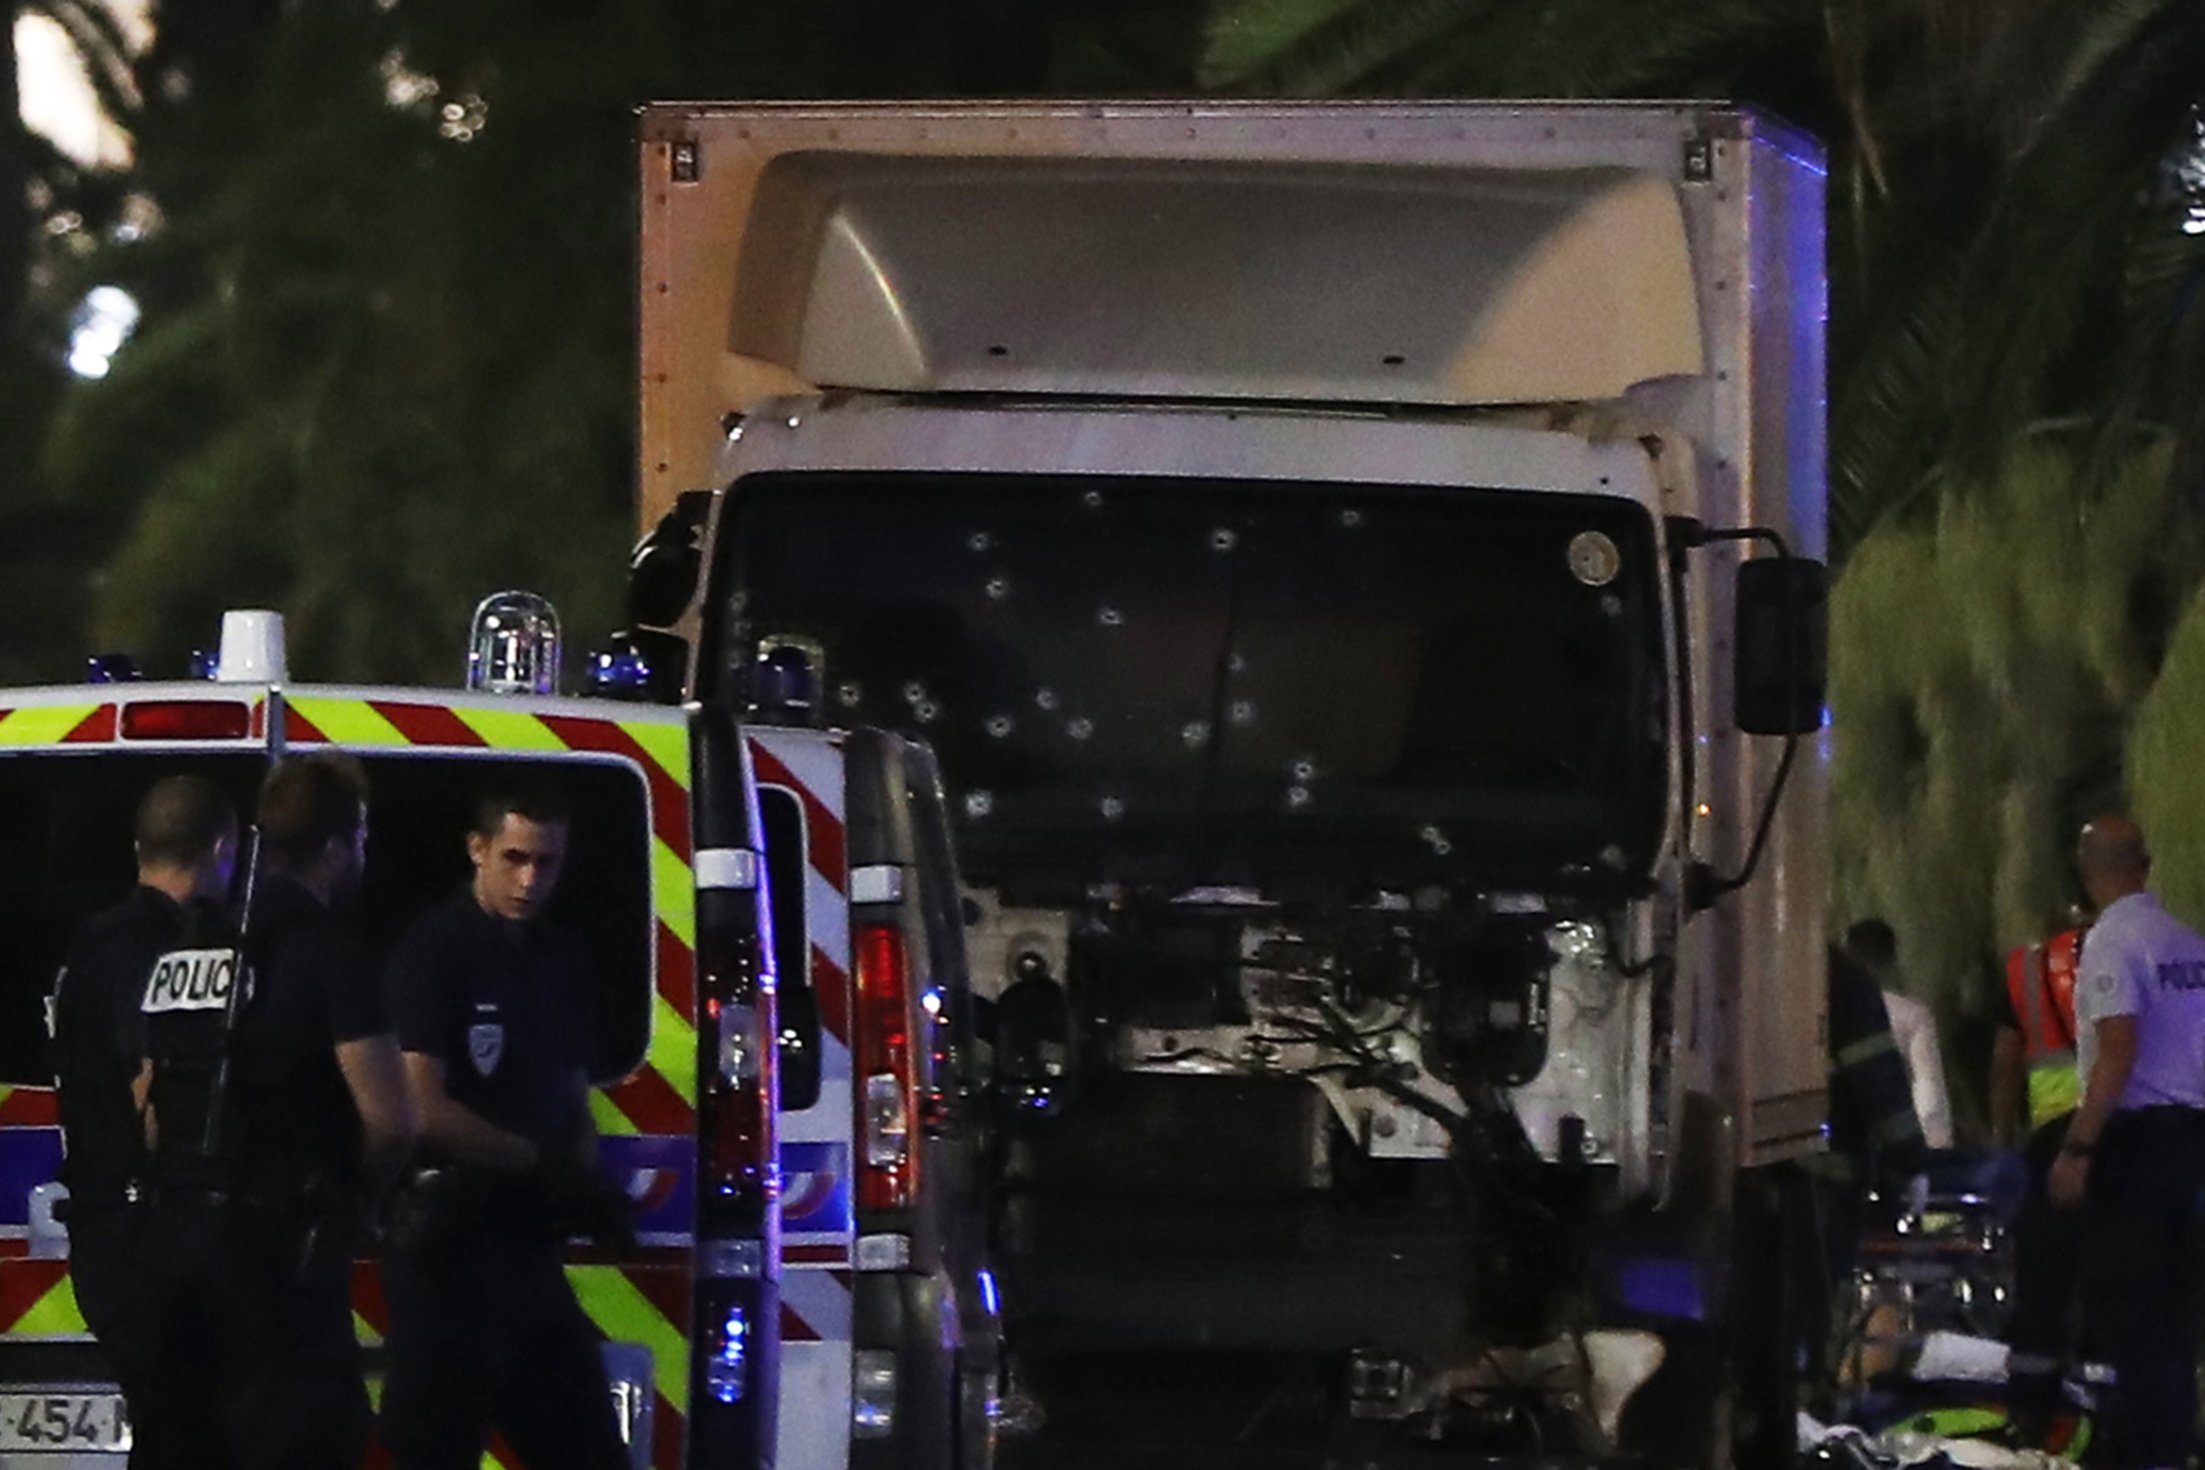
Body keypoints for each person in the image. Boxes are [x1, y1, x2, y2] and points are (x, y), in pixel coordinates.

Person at [139, 751, 415, 1470]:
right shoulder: (332, 954)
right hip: (275, 1254)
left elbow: (144, 1100)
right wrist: (358, 1200)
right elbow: (391, 1120)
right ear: (338, 845)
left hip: (176, 1244)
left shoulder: (188, 948)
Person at [380, 785, 629, 1470]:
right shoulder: (436, 951)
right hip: (448, 1258)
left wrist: (582, 1178)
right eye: (515, 857)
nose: (529, 879)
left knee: (588, 1452)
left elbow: (572, 1097)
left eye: (546, 862)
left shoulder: (558, 958)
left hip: (524, 1252)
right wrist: (534, 1160)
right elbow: (421, 1104)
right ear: (478, 849)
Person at [48, 774, 238, 1468]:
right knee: (192, 1436)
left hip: (112, 1235)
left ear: (140, 848)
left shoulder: (94, 943)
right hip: (150, 1236)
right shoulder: (157, 951)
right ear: (222, 850)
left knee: (172, 1436)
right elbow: (148, 1089)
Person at [2047, 815, 2205, 1470]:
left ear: (2087, 874)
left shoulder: (2111, 947)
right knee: (2179, 1310)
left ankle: (2153, 1451)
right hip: (2193, 1139)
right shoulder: (2185, 944)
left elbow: (2117, 1050)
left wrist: (2077, 1149)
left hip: (2137, 1146)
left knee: (2134, 1312)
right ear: (2144, 865)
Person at [1991, 917, 2089, 1445]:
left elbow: (2006, 1063)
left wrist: (2003, 1143)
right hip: (2128, 1139)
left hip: (2049, 1143)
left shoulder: (2025, 969)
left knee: (2042, 1289)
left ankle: (2031, 1419)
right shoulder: (2145, 956)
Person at [1842, 918, 1954, 1150]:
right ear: (1891, 960)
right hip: (1898, 1143)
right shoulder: (1912, 1017)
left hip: (1851, 1143)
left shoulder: (1834, 1013)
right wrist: (1936, 1146)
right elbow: (1928, 1089)